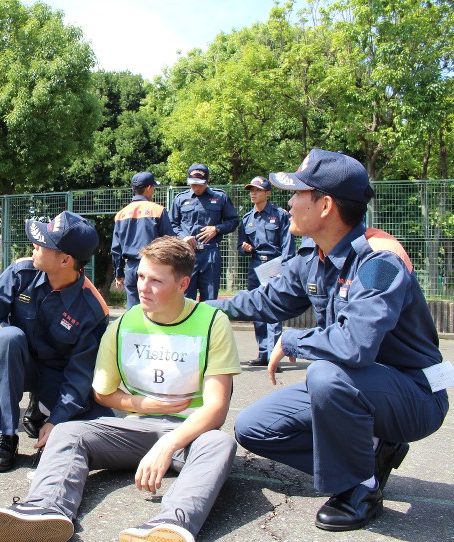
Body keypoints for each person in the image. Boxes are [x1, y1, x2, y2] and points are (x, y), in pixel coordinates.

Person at [210, 149, 449, 532]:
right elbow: (268, 300)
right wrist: (200, 308)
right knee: (255, 427)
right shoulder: (315, 255)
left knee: (324, 373)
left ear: (324, 206)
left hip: (414, 394)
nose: (288, 202)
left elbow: (355, 345)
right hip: (353, 384)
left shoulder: (378, 262)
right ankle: (371, 455)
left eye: (297, 194)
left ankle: (361, 488)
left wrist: (292, 342)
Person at [0, 236, 241, 542]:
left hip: (191, 435)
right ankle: (43, 509)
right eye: (141, 276)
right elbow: (102, 394)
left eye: (156, 281)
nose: (143, 287)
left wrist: (168, 444)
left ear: (183, 284)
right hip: (133, 430)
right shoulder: (123, 325)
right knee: (67, 431)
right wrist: (147, 405)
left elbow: (216, 408)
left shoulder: (213, 322)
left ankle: (169, 526)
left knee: (220, 443)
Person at [0, 210, 114, 472]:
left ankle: (42, 411)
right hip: (14, 366)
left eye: (43, 243)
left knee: (102, 433)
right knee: (8, 337)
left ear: (65, 260)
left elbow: (80, 374)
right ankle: (7, 436)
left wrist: (58, 420)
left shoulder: (93, 309)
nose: (35, 245)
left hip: (56, 377)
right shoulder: (21, 273)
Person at [237, 176, 295, 368]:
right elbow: (241, 246)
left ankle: (273, 354)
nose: (253, 193)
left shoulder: (280, 215)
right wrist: (244, 248)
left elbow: (288, 246)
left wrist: (284, 269)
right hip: (255, 267)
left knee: (273, 311)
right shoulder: (247, 219)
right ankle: (263, 352)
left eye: (257, 190)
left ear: (267, 193)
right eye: (251, 190)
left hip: (274, 265)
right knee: (257, 310)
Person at [169, 163, 238, 301]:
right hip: (187, 253)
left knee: (210, 298)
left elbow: (234, 221)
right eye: (193, 184)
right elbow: (171, 224)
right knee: (185, 297)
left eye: (199, 184)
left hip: (210, 253)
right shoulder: (180, 199)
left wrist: (217, 229)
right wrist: (183, 237)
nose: (196, 187)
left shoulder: (220, 197)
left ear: (208, 180)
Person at [111, 171, 175, 308]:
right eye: (153, 188)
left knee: (133, 311)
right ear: (148, 188)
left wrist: (119, 273)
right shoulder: (158, 210)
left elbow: (116, 249)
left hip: (131, 268)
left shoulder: (121, 214)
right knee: (155, 308)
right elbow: (170, 242)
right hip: (153, 266)